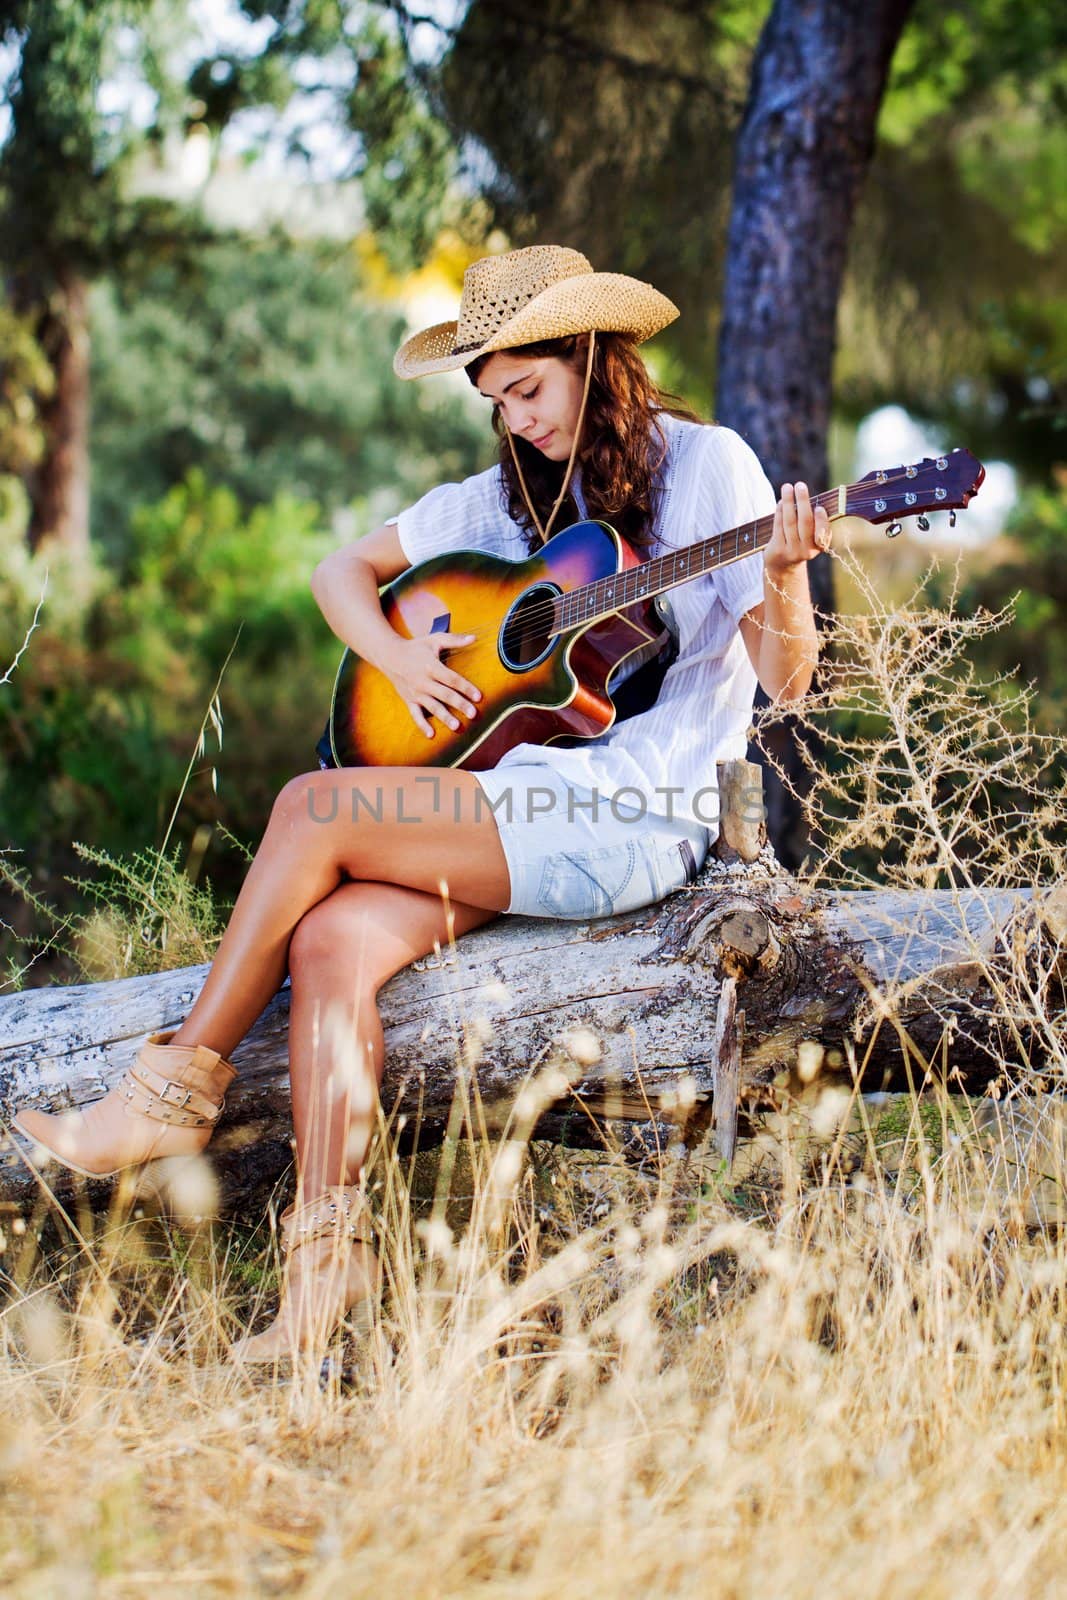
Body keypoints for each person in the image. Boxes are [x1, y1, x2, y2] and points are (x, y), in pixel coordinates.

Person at [13, 245, 830, 1361]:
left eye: (529, 390)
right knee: (333, 939)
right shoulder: (504, 498)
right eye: (495, 401)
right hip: (517, 805)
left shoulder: (711, 469)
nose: (516, 420)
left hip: (641, 811)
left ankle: (163, 1096)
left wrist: (782, 574)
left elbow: (789, 681)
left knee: (312, 807)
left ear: (591, 355)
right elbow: (338, 572)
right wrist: (398, 663)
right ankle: (321, 1278)